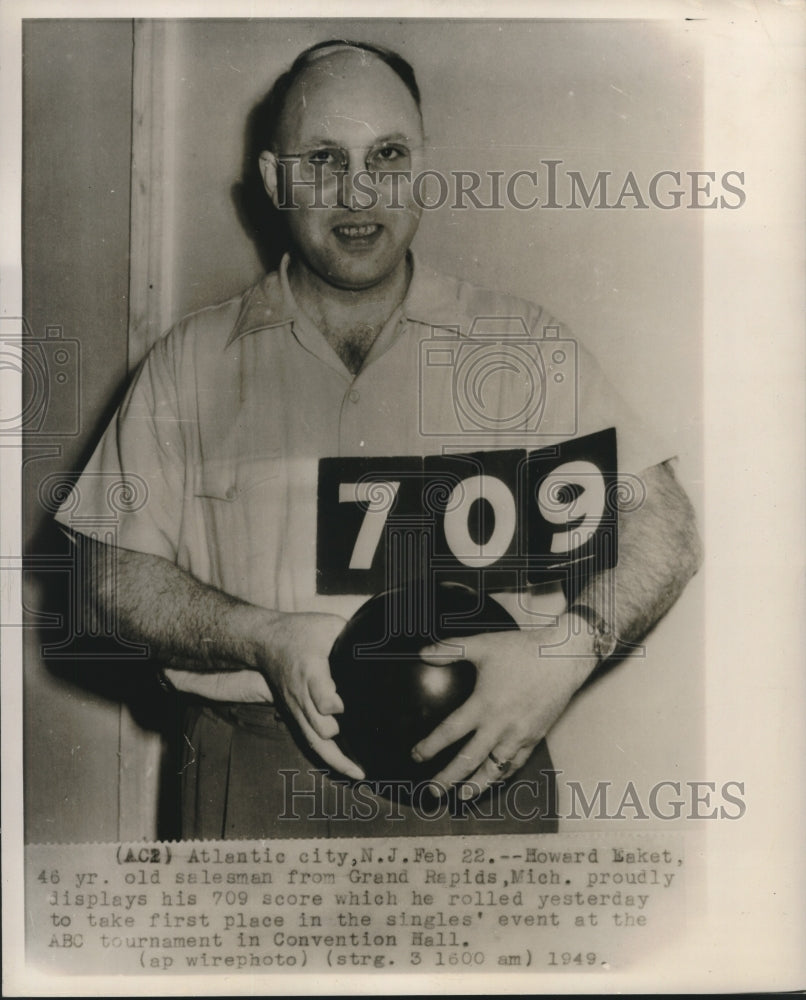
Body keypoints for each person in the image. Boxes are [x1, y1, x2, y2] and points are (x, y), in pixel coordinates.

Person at [55, 39, 702, 839]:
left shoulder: (523, 345)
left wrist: (569, 650)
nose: (360, 191)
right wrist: (259, 638)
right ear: (273, 180)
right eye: (324, 159)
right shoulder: (190, 364)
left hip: (481, 778)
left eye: (388, 155)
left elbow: (664, 527)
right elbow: (104, 575)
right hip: (262, 780)